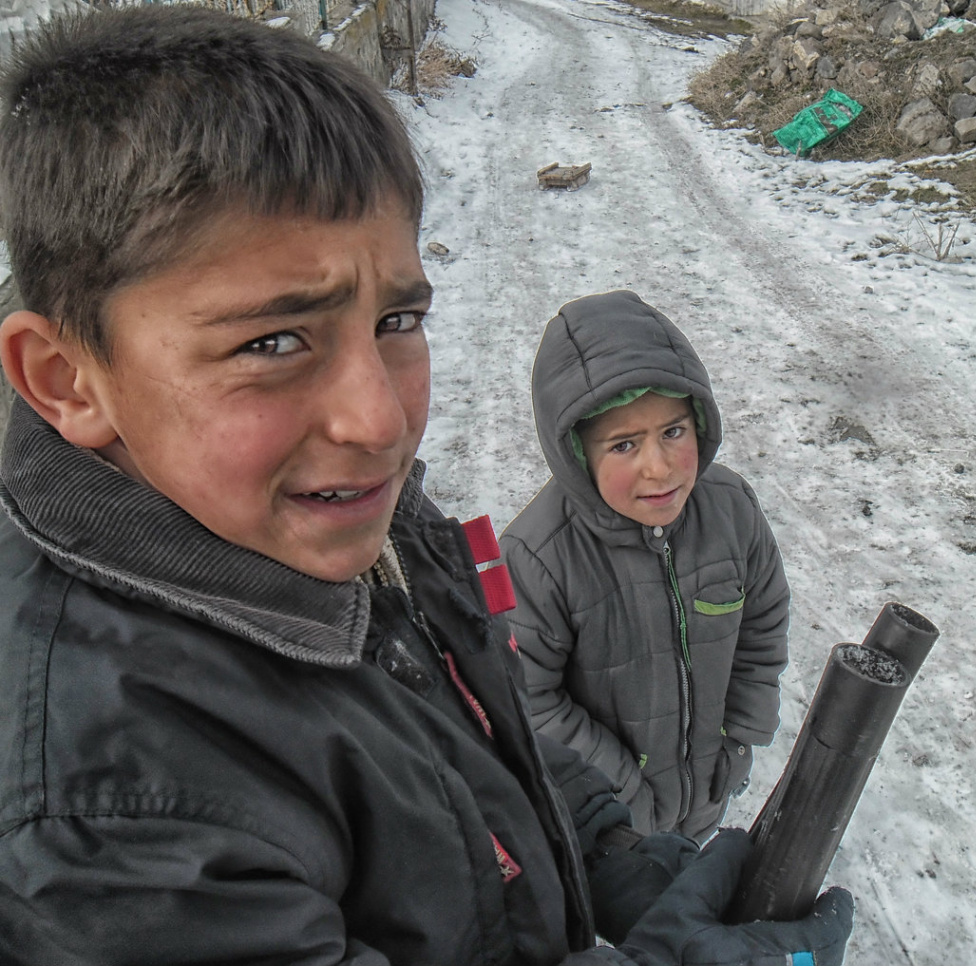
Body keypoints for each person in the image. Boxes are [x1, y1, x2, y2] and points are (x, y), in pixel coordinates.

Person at [0, 7, 852, 964]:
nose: (381, 420)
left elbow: (475, 722)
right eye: (273, 342)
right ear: (66, 379)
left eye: (398, 320)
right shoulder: (107, 824)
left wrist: (610, 851)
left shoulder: (323, 520)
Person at [502, 291, 790, 843]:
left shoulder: (730, 510)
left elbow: (763, 621)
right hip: (607, 819)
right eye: (624, 444)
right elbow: (530, 701)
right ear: (577, 455)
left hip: (706, 786)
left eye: (673, 432)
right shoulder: (538, 559)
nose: (657, 468)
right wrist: (621, 789)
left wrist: (739, 734)